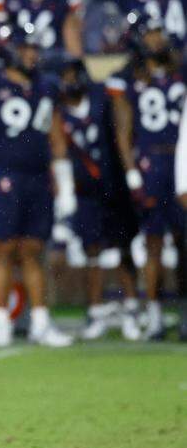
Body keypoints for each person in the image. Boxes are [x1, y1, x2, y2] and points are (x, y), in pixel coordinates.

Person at [0, 23, 75, 348]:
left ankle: (40, 322)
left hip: (38, 177)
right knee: (4, 249)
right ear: (10, 51)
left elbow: (56, 136)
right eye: (25, 48)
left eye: (34, 49)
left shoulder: (45, 86)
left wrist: (65, 184)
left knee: (34, 250)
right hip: (5, 174)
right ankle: (0, 321)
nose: (31, 55)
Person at [106, 11, 186, 340]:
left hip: (181, 160)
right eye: (150, 33)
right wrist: (132, 174)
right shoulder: (128, 77)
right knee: (154, 242)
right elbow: (123, 131)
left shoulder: (179, 70)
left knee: (184, 240)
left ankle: (183, 311)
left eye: (159, 33)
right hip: (151, 161)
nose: (156, 40)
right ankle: (153, 314)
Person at [58, 59, 143, 341]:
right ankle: (95, 312)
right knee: (92, 252)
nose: (70, 82)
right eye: (65, 77)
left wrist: (129, 174)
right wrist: (65, 188)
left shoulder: (103, 100)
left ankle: (132, 310)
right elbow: (58, 148)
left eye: (73, 76)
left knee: (121, 248)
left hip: (112, 187)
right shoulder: (59, 111)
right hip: (85, 193)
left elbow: (122, 132)